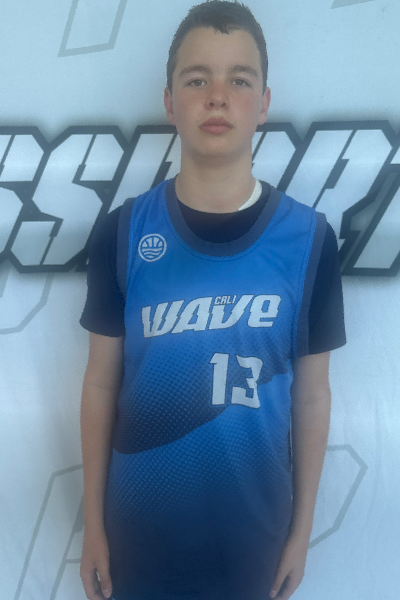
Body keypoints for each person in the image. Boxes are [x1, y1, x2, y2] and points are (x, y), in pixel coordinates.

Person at [79, 2, 346, 599]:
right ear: (170, 102)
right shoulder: (122, 233)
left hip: (254, 541)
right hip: (139, 537)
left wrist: (301, 532)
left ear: (264, 103)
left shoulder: (309, 240)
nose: (218, 97)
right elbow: (99, 383)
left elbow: (312, 395)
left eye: (239, 80)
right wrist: (92, 524)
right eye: (197, 79)